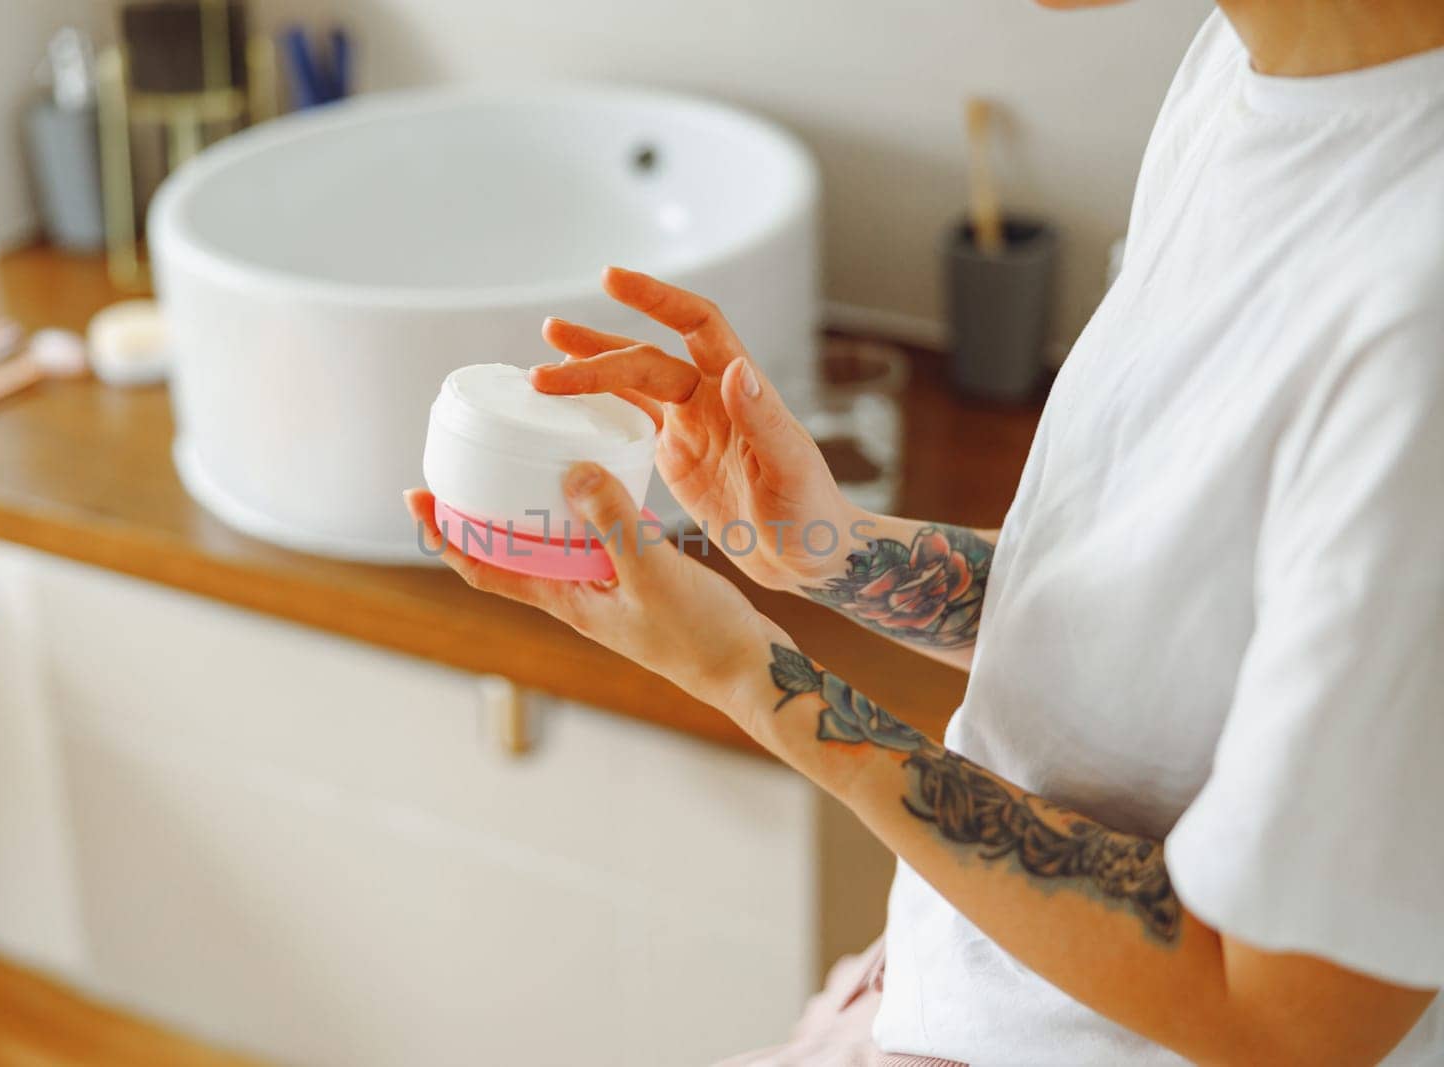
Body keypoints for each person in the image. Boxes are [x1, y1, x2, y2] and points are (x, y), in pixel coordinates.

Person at [404, 1, 1444, 1062]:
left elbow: (1281, 1013)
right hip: (948, 990)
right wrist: (829, 550)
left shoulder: (1416, 312)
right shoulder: (1249, 68)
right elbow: (1162, 631)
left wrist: (750, 676)